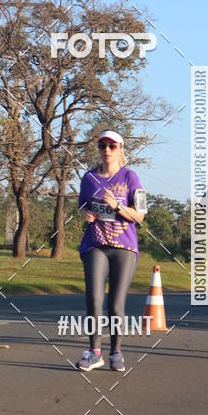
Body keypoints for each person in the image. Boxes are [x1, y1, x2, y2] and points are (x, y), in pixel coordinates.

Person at [76, 130, 146, 373]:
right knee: (94, 299)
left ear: (120, 149)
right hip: (95, 244)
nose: (107, 149)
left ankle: (116, 351)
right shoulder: (88, 178)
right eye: (103, 145)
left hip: (124, 246)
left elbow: (140, 216)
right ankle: (94, 352)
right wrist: (86, 214)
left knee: (116, 304)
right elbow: (83, 207)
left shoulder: (130, 177)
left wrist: (117, 206)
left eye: (112, 145)